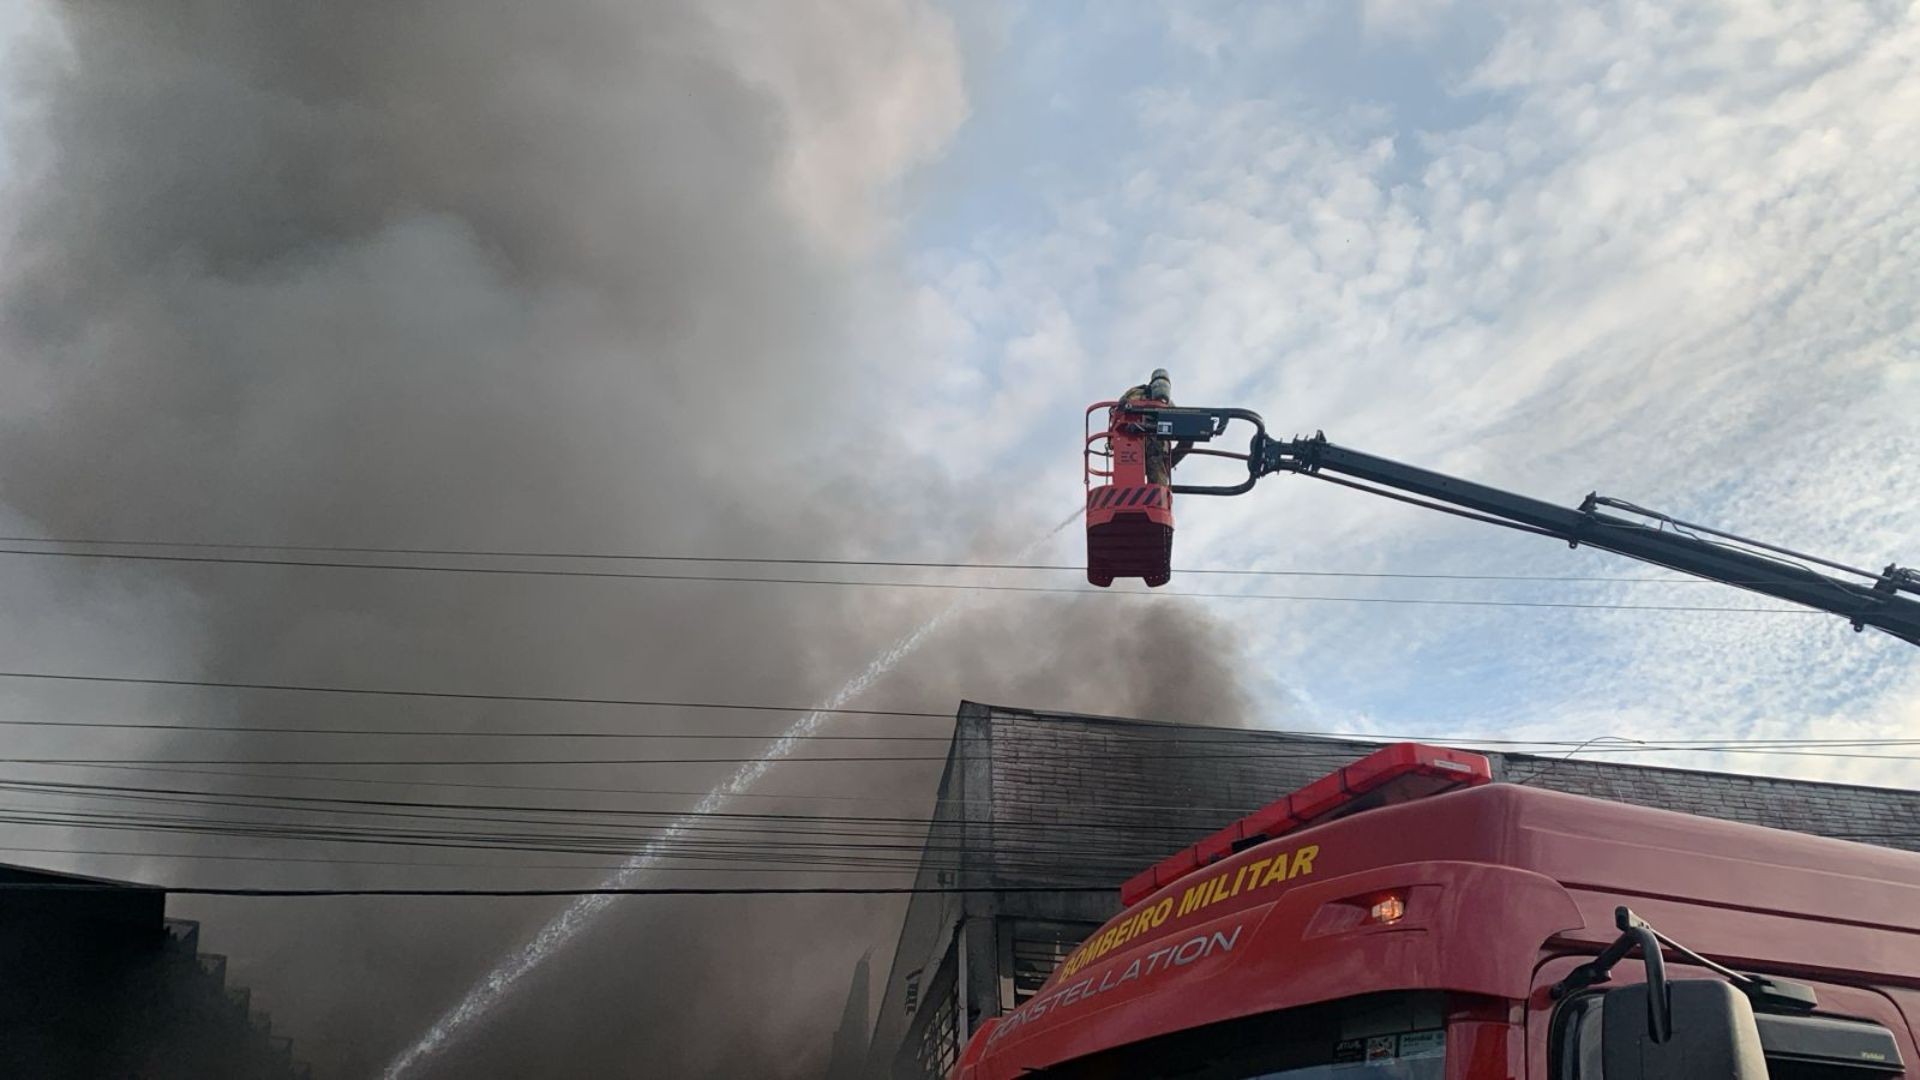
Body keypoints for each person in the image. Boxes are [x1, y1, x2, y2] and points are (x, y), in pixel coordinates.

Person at [1116, 368, 1191, 485]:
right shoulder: (1135, 395)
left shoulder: (1168, 405)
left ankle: (1163, 469)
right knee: (1157, 477)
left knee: (1186, 439)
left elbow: (1179, 424)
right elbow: (1120, 411)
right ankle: (1160, 480)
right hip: (1136, 443)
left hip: (1144, 447)